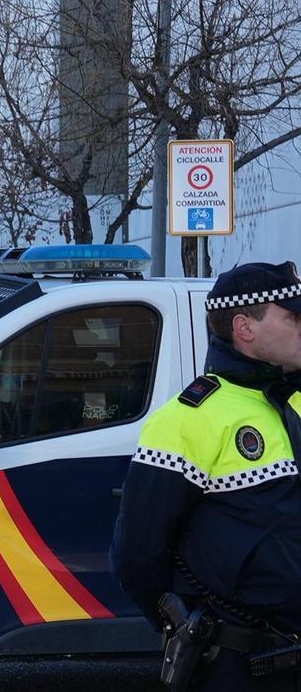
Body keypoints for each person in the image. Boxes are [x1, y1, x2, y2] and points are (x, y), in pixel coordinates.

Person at [112, 262, 301, 691]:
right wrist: (188, 626)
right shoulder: (187, 419)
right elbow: (137, 556)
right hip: (234, 663)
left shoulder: (295, 403)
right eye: (292, 316)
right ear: (244, 327)